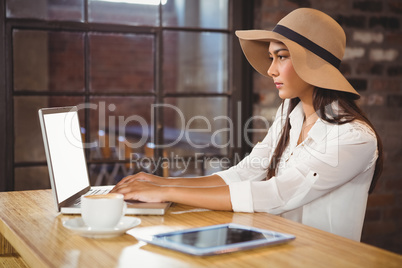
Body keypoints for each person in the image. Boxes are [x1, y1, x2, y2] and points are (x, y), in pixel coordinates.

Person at [111, 8, 383, 241]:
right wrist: (161, 183)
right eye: (271, 57)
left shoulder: (355, 138)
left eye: (282, 56)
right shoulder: (289, 114)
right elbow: (244, 173)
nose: (270, 69)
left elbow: (277, 194)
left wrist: (168, 191)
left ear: (313, 64)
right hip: (278, 249)